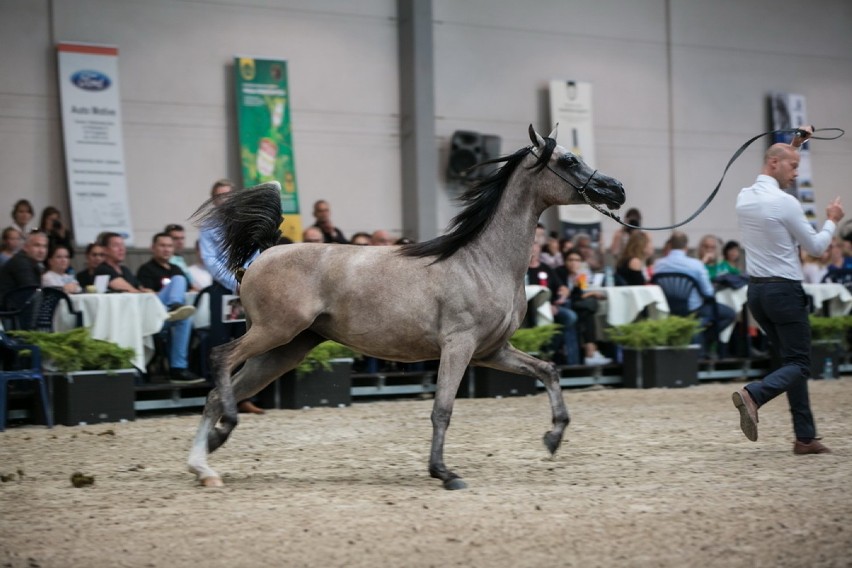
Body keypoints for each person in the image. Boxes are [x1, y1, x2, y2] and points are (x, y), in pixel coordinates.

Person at [731, 126, 844, 454]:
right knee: (801, 363)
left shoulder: (744, 197)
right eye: (793, 166)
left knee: (790, 363)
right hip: (785, 292)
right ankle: (755, 395)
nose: (796, 172)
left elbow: (777, 160)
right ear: (774, 164)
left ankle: (805, 437)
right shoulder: (786, 203)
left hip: (758, 294)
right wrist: (832, 220)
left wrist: (795, 145)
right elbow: (818, 247)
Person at [198, 179, 264, 413]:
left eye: (228, 195)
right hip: (223, 287)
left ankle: (242, 396)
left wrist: (246, 278)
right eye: (219, 196)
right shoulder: (207, 227)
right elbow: (211, 260)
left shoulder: (247, 222)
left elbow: (254, 252)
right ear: (213, 201)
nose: (224, 200)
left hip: (246, 285)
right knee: (222, 340)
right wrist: (233, 281)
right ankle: (221, 395)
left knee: (246, 337)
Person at [653, 231, 736, 356]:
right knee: (730, 314)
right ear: (686, 247)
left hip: (668, 308)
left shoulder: (658, 264)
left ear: (669, 246)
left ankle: (700, 337)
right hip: (694, 310)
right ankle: (705, 338)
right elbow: (708, 292)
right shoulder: (696, 265)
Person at [135, 232, 202, 384]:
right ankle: (175, 305)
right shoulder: (146, 269)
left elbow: (191, 288)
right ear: (153, 248)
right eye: (162, 245)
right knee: (178, 280)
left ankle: (177, 369)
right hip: (153, 315)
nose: (166, 249)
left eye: (170, 246)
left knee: (185, 317)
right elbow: (146, 296)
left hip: (168, 317)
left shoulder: (176, 268)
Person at [527, 241, 579, 365]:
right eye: (531, 245)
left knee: (569, 317)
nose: (533, 249)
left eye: (535, 245)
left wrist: (562, 295)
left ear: (539, 248)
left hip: (551, 307)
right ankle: (544, 355)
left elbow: (562, 288)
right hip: (527, 308)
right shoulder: (520, 268)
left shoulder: (546, 268)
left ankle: (549, 353)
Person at [556, 250, 610, 365]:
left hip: (574, 305)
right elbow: (565, 295)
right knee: (588, 311)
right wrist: (590, 293)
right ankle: (591, 351)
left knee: (588, 311)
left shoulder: (578, 276)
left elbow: (578, 296)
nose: (573, 263)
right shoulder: (559, 272)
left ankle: (590, 351)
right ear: (565, 261)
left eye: (577, 260)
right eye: (570, 260)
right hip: (562, 305)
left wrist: (581, 288)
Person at [0, 230, 47, 301]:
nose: (42, 251)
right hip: (9, 310)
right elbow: (33, 292)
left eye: (44, 246)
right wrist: (61, 289)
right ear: (25, 247)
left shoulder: (33, 262)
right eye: (37, 245)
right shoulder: (20, 263)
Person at [164, 223, 196, 289]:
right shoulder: (165, 261)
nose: (180, 242)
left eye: (182, 238)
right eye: (175, 238)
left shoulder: (179, 259)